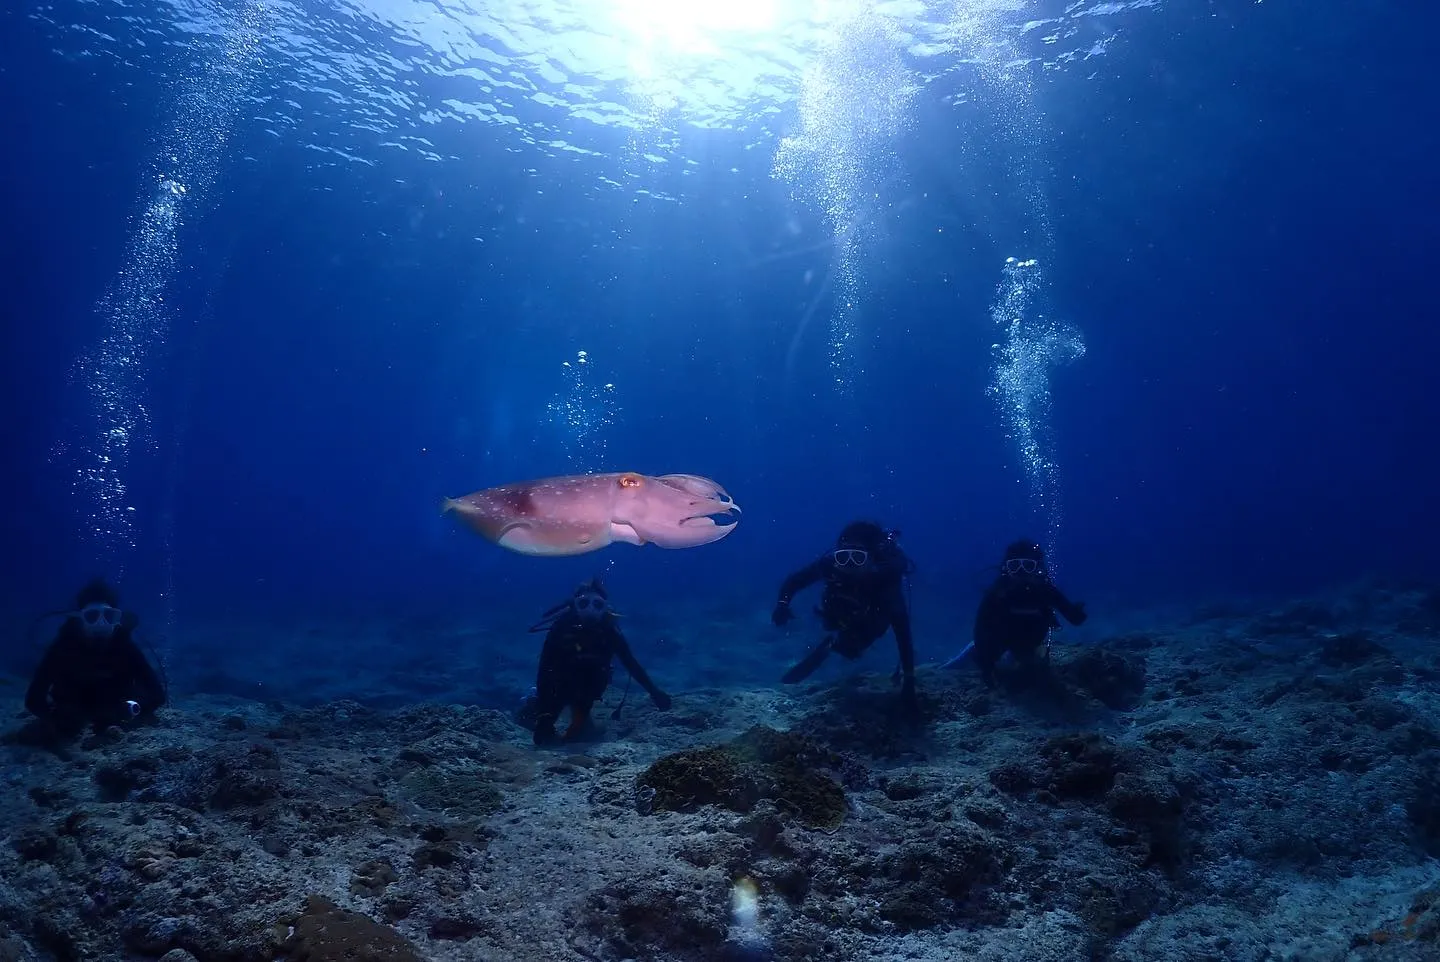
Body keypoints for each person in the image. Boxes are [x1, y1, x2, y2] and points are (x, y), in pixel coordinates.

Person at [770, 520, 917, 709]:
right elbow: (795, 581)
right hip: (839, 614)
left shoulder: (885, 581)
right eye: (843, 557)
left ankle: (842, 644)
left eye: (858, 558)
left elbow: (903, 632)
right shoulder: (829, 565)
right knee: (839, 627)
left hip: (871, 618)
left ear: (871, 559)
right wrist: (783, 604)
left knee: (855, 644)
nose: (849, 565)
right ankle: (837, 641)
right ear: (835, 556)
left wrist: (909, 683)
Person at [523, 579, 671, 746]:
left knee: (581, 737)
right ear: (575, 604)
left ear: (605, 607)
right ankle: (532, 705)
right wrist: (544, 714)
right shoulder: (561, 627)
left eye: (597, 605)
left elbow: (630, 662)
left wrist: (654, 692)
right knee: (538, 731)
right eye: (584, 603)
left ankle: (573, 716)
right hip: (557, 687)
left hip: (588, 691)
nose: (590, 609)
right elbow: (545, 668)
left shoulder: (608, 630)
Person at [24, 578, 167, 737]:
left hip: (115, 707)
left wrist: (133, 708)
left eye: (109, 616)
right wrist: (53, 719)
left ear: (117, 619)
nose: (101, 623)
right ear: (79, 618)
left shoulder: (124, 646)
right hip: (73, 709)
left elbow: (157, 694)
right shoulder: (63, 647)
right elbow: (34, 698)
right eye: (92, 616)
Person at [970, 539, 1087, 685]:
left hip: (1031, 645)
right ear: (1006, 568)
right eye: (1014, 566)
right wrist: (987, 666)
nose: (1021, 572)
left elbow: (1075, 619)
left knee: (1032, 669)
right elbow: (980, 628)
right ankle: (976, 652)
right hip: (999, 644)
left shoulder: (1046, 591)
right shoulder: (997, 593)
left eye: (1028, 566)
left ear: (1037, 568)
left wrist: (1077, 612)